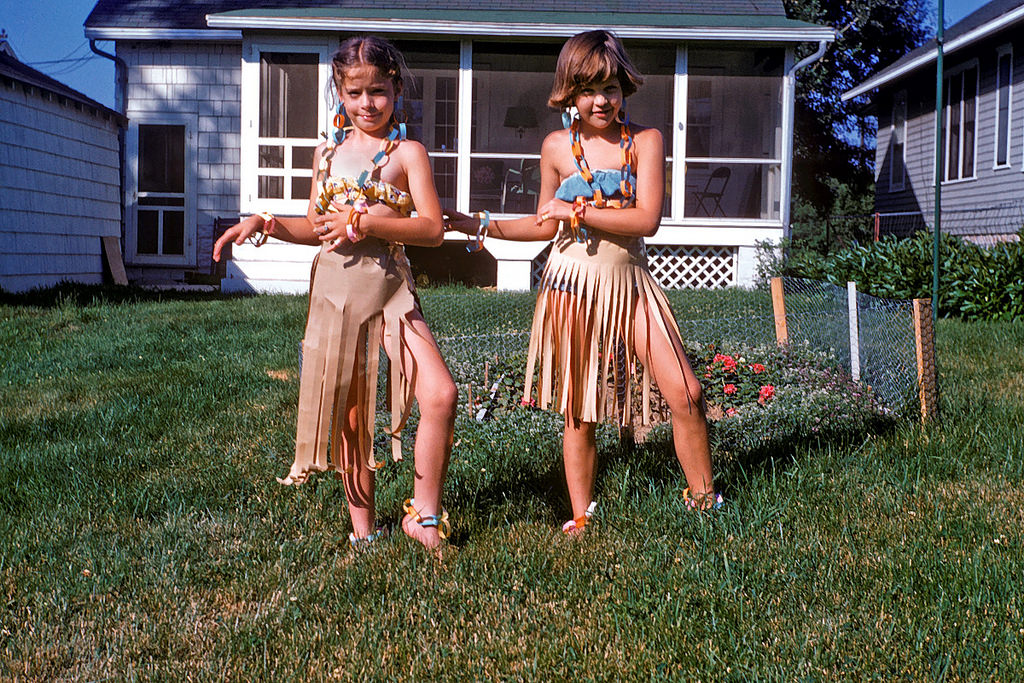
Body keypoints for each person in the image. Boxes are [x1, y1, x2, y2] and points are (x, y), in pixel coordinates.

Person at [447, 30, 721, 533]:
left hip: (631, 283)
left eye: (611, 88)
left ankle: (705, 502)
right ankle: (581, 514)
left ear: (626, 89)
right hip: (570, 282)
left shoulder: (645, 142)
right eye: (589, 90)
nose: (601, 100)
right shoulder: (556, 147)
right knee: (580, 405)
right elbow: (542, 225)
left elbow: (646, 221)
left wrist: (579, 210)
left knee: (686, 391)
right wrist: (481, 224)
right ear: (569, 94)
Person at [214, 36, 456, 551]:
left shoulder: (408, 153)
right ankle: (363, 533)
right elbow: (317, 228)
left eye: (379, 91)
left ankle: (424, 514)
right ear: (339, 93)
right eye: (355, 92)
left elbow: (432, 228)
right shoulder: (326, 154)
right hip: (336, 294)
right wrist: (266, 222)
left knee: (439, 393)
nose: (367, 103)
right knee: (353, 417)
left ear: (395, 89)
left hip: (390, 290)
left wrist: (368, 222)